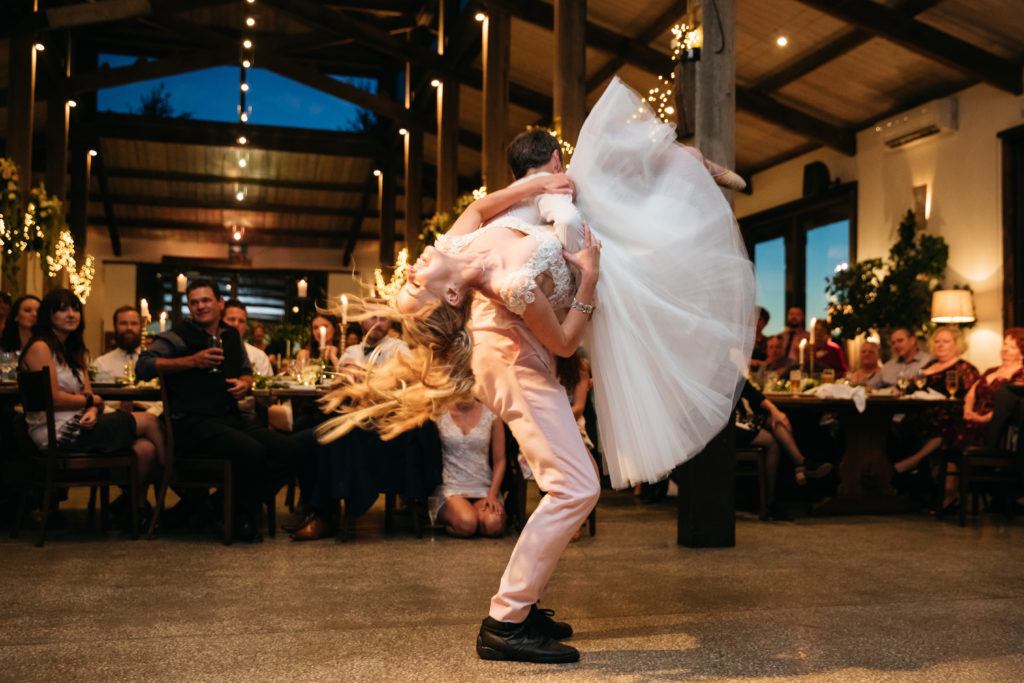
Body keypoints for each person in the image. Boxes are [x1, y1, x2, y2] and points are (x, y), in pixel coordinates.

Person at [320, 77, 756, 663]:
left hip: (513, 357)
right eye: (418, 279)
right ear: (451, 295)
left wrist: (533, 184)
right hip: (511, 366)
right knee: (577, 487)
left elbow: (478, 205)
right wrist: (592, 278)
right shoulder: (508, 283)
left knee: (568, 485)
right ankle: (505, 621)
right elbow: (569, 344)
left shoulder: (465, 248)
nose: (417, 263)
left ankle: (523, 608)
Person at [136, 278, 300, 542]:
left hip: (228, 419)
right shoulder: (177, 336)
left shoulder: (230, 335)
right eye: (194, 302)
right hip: (191, 423)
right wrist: (192, 361)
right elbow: (143, 366)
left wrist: (245, 383)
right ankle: (239, 518)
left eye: (206, 300)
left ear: (220, 303)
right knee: (253, 451)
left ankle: (218, 507)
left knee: (290, 450)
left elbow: (247, 372)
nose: (200, 306)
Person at [19, 289, 166, 525]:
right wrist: (92, 402)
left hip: (81, 423)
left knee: (145, 448)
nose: (71, 314)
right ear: (49, 315)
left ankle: (137, 510)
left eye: (75, 309)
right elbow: (52, 399)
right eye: (63, 309)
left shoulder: (73, 351)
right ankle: (173, 476)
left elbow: (88, 395)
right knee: (150, 422)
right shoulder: (41, 347)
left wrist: (92, 408)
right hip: (57, 431)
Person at [891, 326, 981, 506]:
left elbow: (966, 399)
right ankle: (893, 489)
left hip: (948, 418)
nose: (940, 345)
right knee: (891, 430)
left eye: (946, 341)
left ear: (957, 344)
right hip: (917, 417)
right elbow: (909, 388)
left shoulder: (965, 368)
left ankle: (914, 463)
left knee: (942, 427)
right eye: (937, 341)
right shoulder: (928, 367)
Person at [435, 400, 506, 538]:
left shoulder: (491, 413)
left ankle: (476, 517)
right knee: (466, 523)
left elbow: (500, 460)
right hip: (451, 488)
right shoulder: (439, 412)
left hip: (484, 488)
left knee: (494, 524)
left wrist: (492, 494)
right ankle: (463, 519)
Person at [94, 306, 161, 415]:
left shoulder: (153, 361)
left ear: (140, 327)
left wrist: (150, 414)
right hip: (112, 418)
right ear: (114, 327)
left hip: (151, 415)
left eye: (134, 323)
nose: (129, 328)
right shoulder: (101, 363)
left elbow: (165, 397)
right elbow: (96, 399)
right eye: (123, 323)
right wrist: (117, 415)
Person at [869, 326, 933, 389]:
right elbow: (869, 386)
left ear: (912, 341)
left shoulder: (928, 361)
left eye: (900, 341)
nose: (896, 346)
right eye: (893, 343)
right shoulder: (888, 366)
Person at [223, 299, 273, 376]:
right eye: (231, 319)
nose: (236, 324)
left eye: (241, 321)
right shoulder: (212, 352)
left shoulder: (260, 357)